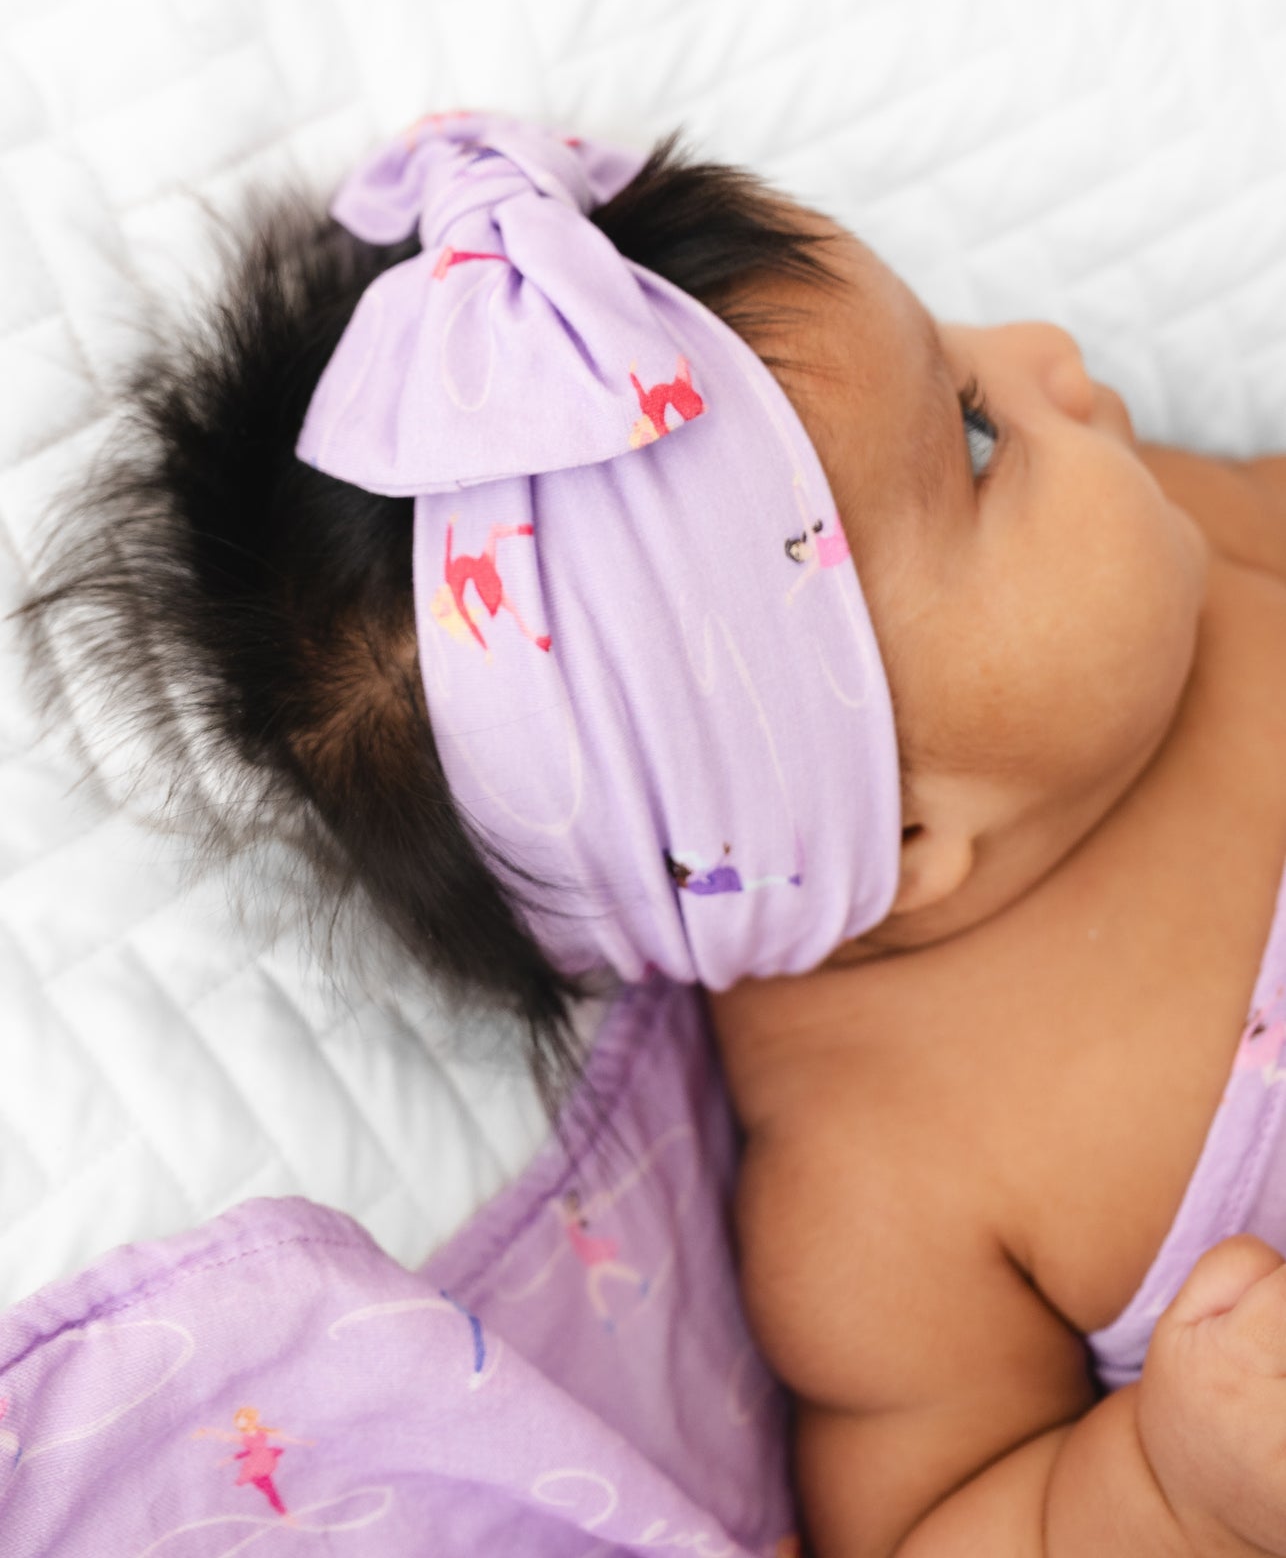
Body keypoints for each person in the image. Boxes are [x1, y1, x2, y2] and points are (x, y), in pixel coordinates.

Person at [22, 111, 1286, 1556]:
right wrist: (1172, 1489)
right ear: (905, 835)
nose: (1047, 351)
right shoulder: (883, 1189)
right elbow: (924, 1526)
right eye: (979, 433)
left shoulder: (1185, 538)